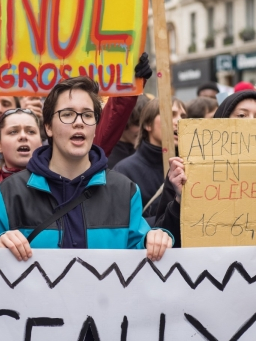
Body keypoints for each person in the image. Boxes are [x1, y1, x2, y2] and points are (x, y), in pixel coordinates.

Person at [0, 54, 151, 236]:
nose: (23, 136)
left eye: (29, 130)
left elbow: (101, 130)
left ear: (46, 135)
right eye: (13, 131)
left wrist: (128, 86)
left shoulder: (76, 171)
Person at [0, 76, 173, 261]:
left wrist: (154, 240)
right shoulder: (9, 194)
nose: (79, 122)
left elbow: (139, 258)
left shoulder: (124, 191)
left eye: (87, 115)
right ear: (48, 127)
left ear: (95, 126)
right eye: (68, 114)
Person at [155, 89, 256, 246]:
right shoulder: (185, 168)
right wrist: (181, 199)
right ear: (223, 120)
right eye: (242, 116)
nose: (251, 122)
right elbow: (163, 237)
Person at [113, 97, 186, 224]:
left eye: (183, 116)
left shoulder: (190, 167)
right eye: (171, 114)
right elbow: (120, 224)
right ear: (148, 124)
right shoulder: (124, 171)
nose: (179, 121)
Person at [107, 94, 150, 168]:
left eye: (147, 123)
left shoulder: (148, 151)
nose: (143, 129)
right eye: (137, 123)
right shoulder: (106, 156)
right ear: (123, 121)